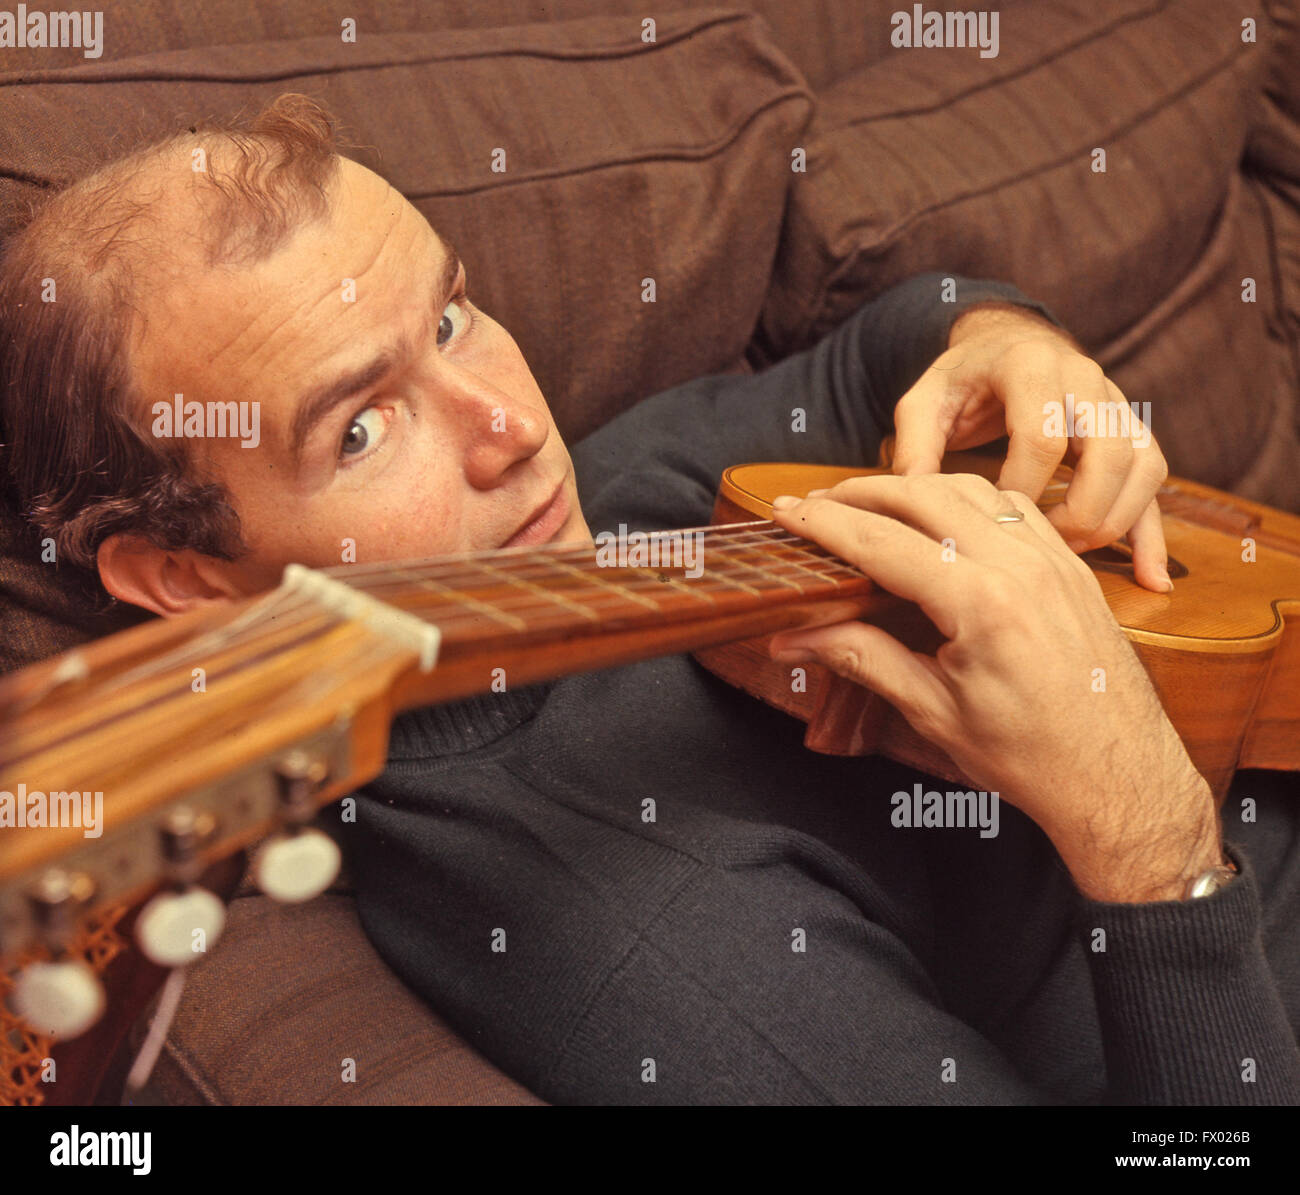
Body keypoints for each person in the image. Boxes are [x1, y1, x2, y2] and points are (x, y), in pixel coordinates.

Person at [1, 94, 1296, 1104]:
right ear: (185, 579)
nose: (514, 423)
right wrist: (1151, 847)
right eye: (359, 430)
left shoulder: (611, 492)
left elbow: (877, 351)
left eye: (451, 319)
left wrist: (1004, 342)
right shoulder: (646, 953)